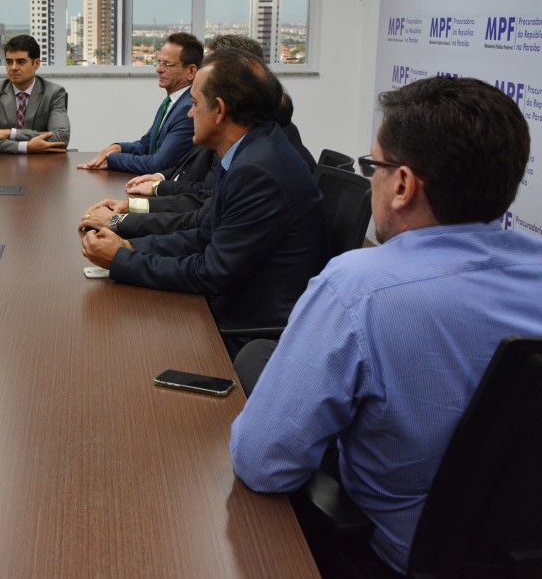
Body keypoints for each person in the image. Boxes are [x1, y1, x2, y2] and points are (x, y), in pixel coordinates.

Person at [230, 76, 542, 577]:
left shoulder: (358, 288)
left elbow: (265, 464)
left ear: (401, 184)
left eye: (372, 166)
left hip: (389, 557)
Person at [80, 49, 328, 335]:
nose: (189, 112)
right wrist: (131, 247)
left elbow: (213, 273)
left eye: (195, 103)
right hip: (237, 301)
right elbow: (205, 235)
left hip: (252, 327)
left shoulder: (256, 169)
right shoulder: (249, 150)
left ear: (220, 110)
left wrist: (122, 261)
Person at [77, 32, 202, 174]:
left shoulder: (188, 109)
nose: (159, 69)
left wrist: (112, 159)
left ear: (191, 71)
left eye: (167, 64)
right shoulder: (171, 101)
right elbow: (147, 144)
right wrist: (119, 147)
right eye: (159, 62)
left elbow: (158, 164)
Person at [0, 34, 69, 154]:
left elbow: (61, 137)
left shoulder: (54, 93)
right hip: (2, 165)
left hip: (41, 166)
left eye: (20, 62)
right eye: (9, 62)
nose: (13, 68)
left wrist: (9, 133)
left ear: (36, 64)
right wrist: (25, 147)